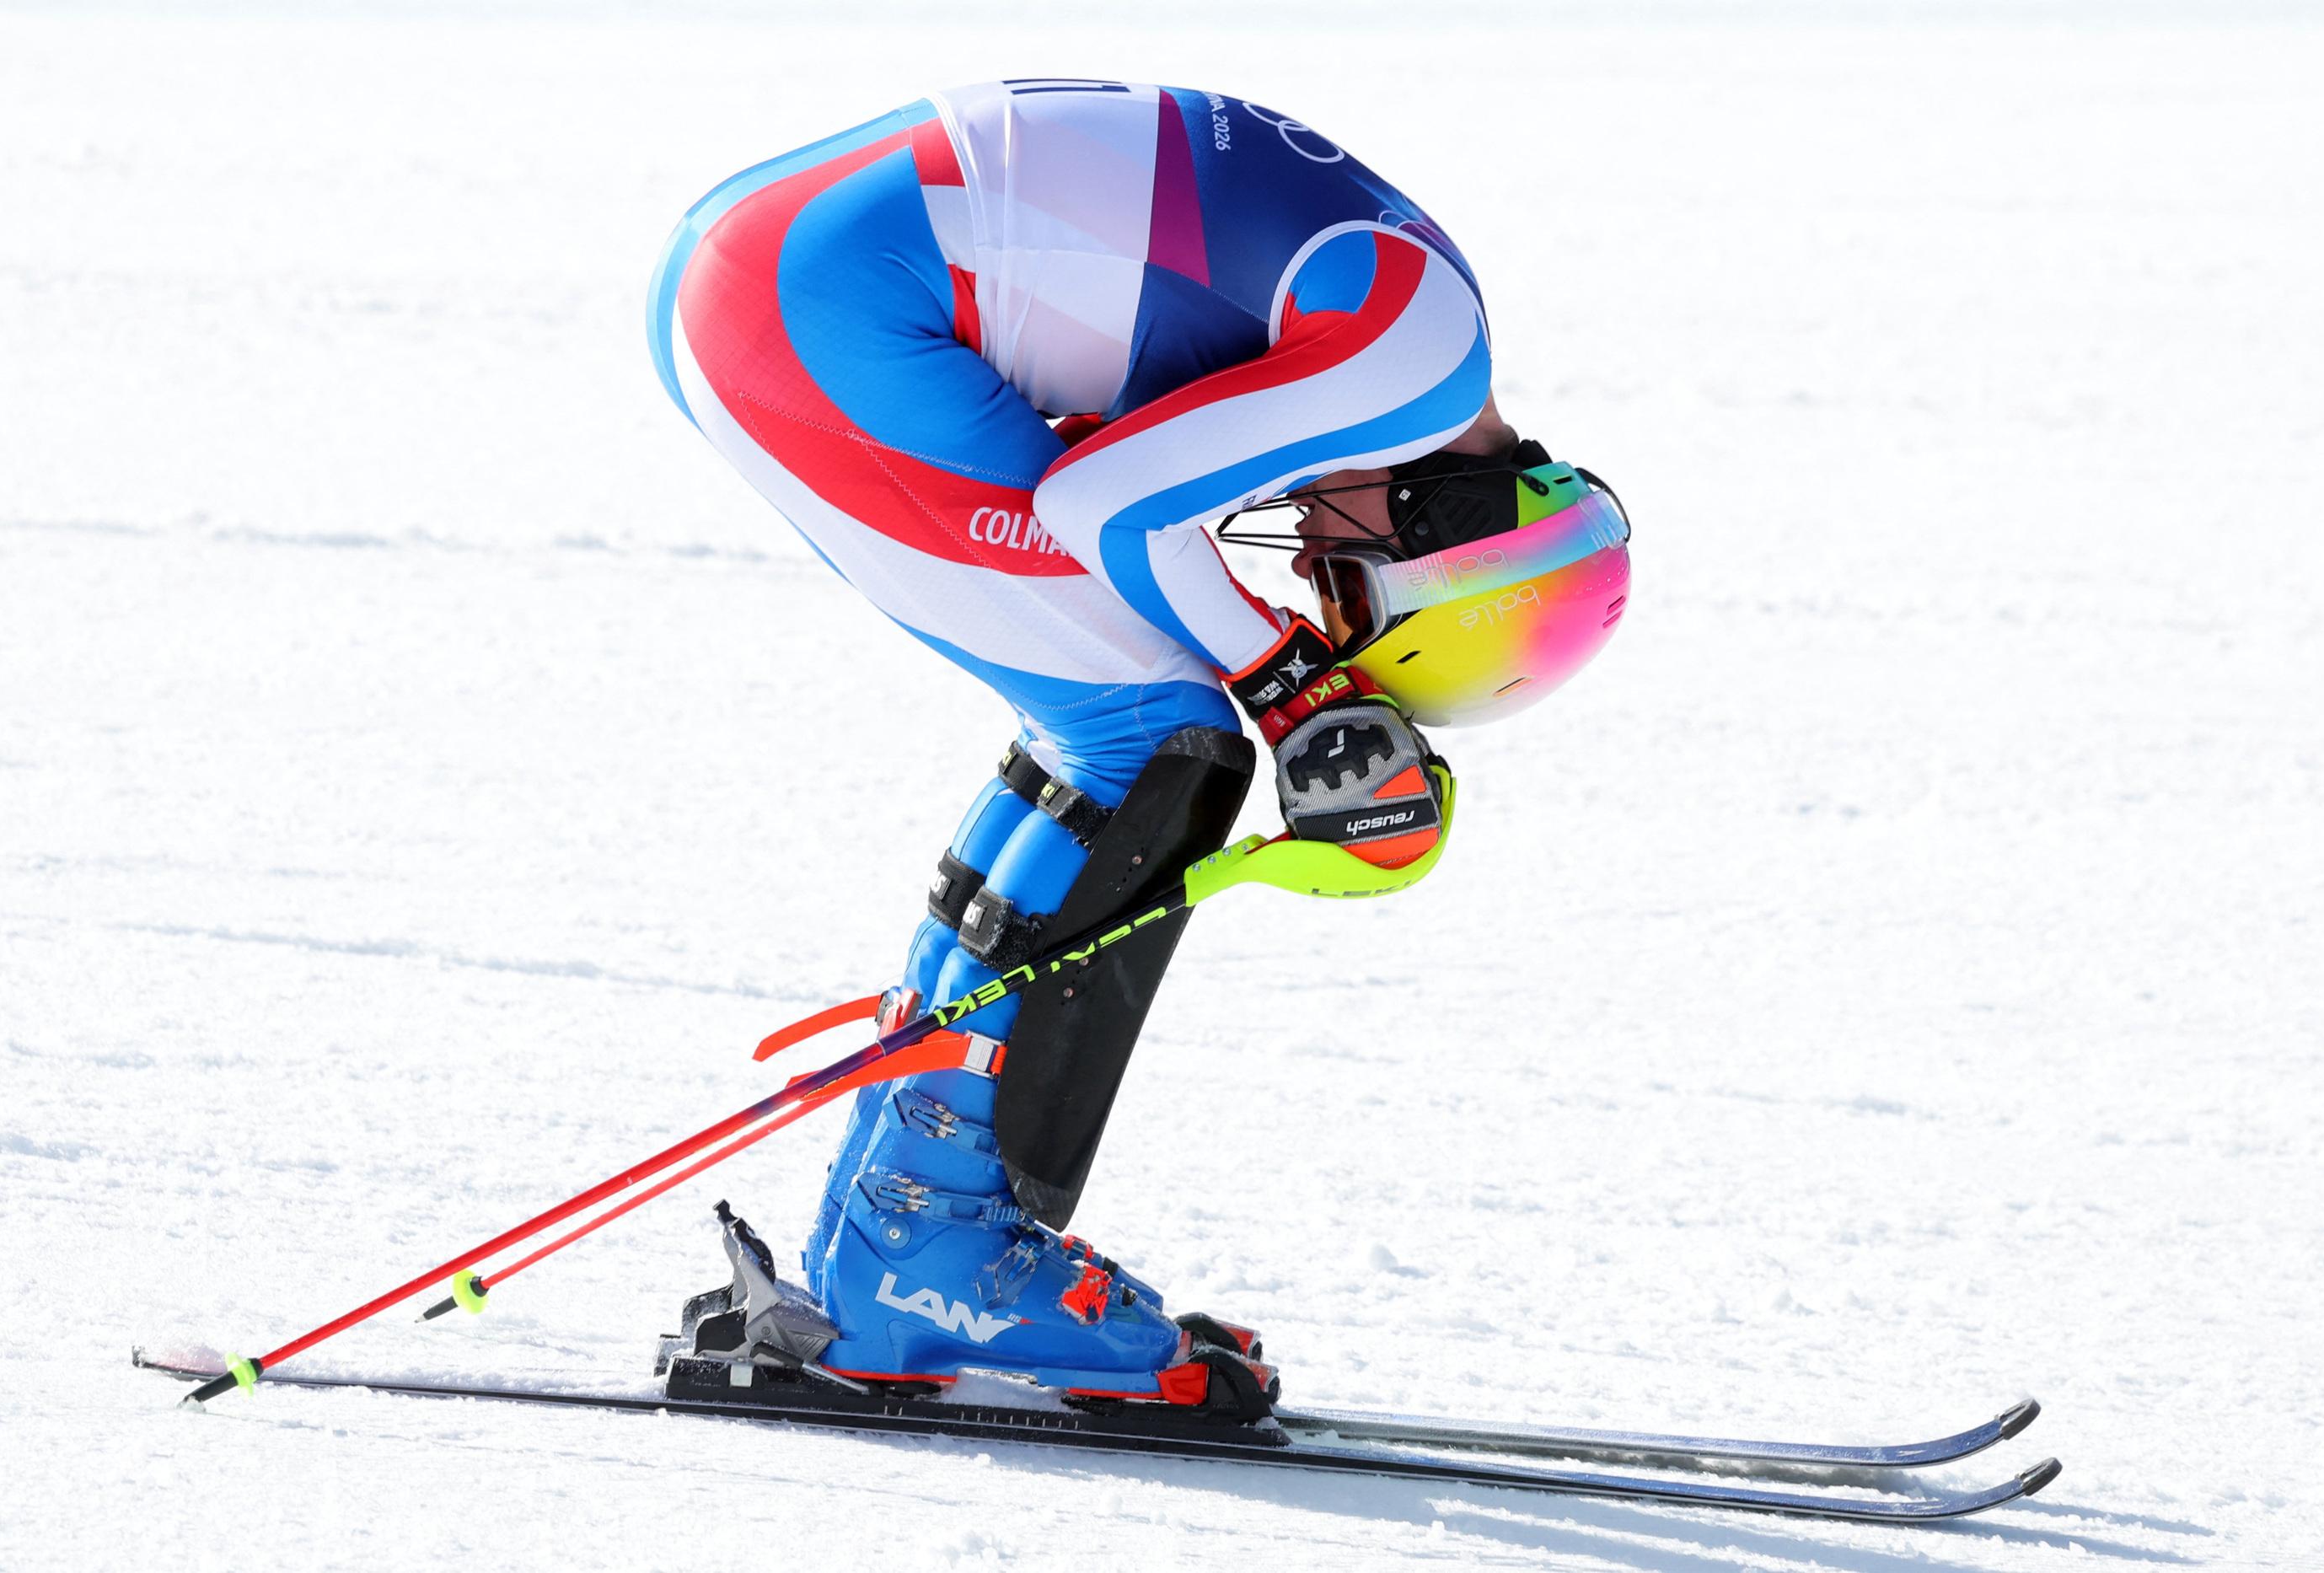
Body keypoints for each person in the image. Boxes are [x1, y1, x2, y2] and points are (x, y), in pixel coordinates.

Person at [647, 79, 1630, 1415]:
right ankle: (925, 1252)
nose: (1311, 571)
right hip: (821, 309)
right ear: (1441, 535)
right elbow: (1105, 502)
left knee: (1112, 716)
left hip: (777, 269)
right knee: (1157, 730)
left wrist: (1277, 676)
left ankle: (893, 1221)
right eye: (1351, 589)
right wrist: (1289, 688)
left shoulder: (1428, 336)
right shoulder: (1412, 374)